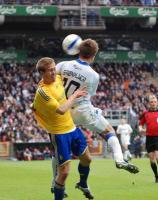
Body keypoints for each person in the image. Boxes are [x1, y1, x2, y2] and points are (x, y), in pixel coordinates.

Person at [50, 38, 139, 189]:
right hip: (82, 110)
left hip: (63, 111)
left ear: (78, 50)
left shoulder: (63, 64)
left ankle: (54, 182)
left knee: (58, 149)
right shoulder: (94, 75)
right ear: (94, 55)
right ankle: (119, 159)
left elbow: (52, 79)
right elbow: (87, 96)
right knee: (109, 131)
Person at [32, 57, 94, 200]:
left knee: (87, 159)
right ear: (42, 73)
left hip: (72, 128)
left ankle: (83, 184)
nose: (54, 72)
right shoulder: (42, 92)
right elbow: (61, 109)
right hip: (59, 134)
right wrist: (74, 96)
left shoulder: (59, 78)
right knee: (64, 172)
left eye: (54, 68)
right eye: (50, 70)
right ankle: (57, 192)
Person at [139, 94, 158, 183]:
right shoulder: (145, 113)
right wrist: (141, 129)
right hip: (149, 138)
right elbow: (140, 124)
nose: (153, 103)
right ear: (149, 103)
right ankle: (156, 176)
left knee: (157, 156)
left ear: (157, 103)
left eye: (154, 102)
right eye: (151, 102)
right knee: (152, 160)